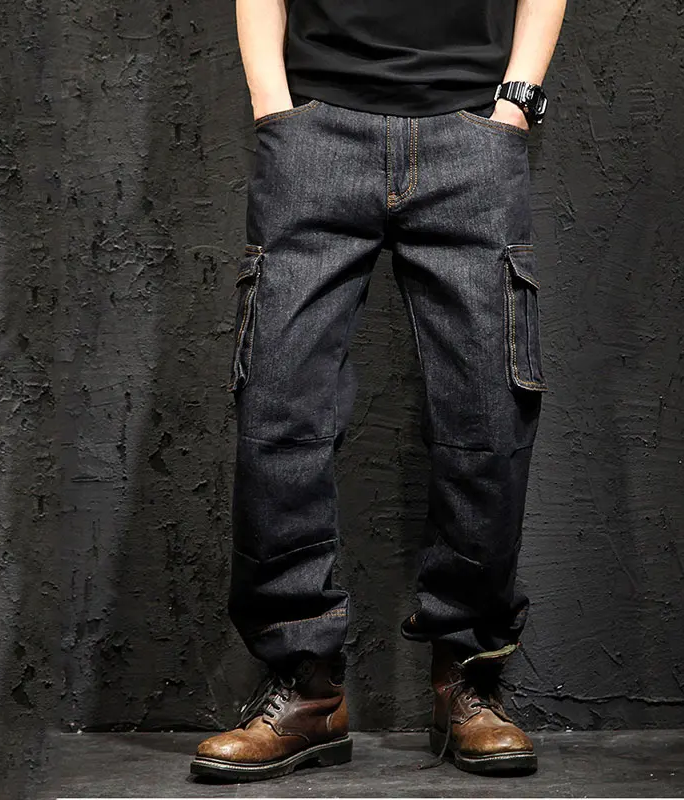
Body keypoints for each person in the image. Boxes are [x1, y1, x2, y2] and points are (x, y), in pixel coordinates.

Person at [190, 0, 566, 782]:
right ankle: (307, 692)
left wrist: (516, 100)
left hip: (472, 133)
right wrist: (273, 106)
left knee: (489, 415)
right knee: (278, 408)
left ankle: (470, 680)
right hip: (315, 133)